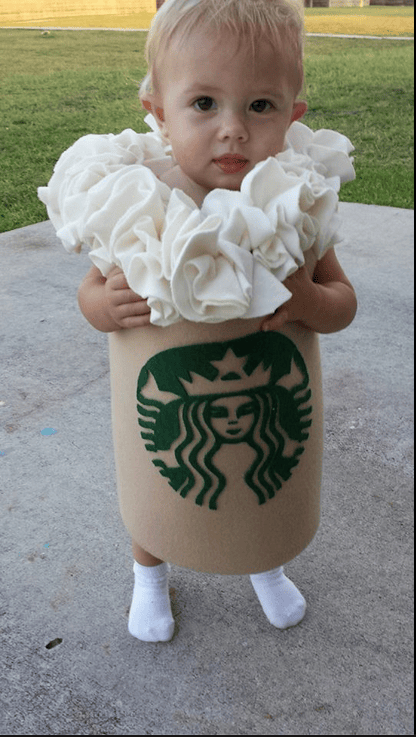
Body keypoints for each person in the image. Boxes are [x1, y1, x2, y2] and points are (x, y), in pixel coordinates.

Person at [38, 0, 357, 643]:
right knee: (159, 481)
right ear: (158, 111)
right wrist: (104, 307)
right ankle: (149, 573)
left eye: (259, 106)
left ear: (293, 115)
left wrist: (304, 300)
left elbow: (342, 302)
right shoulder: (136, 207)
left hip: (265, 392)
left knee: (264, 485)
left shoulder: (292, 209)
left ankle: (264, 563)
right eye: (204, 104)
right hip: (165, 399)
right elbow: (91, 292)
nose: (233, 130)